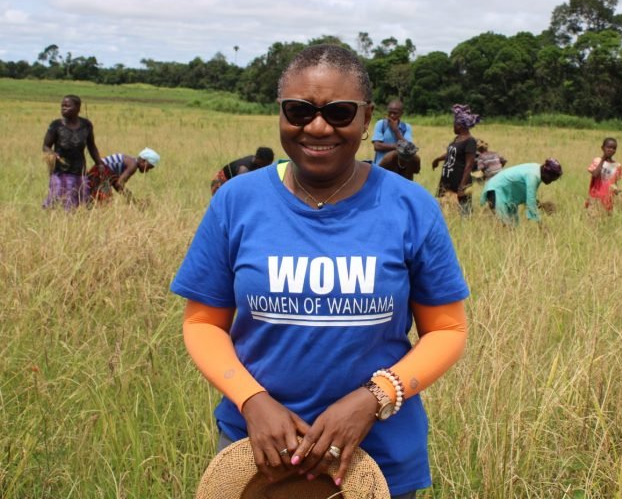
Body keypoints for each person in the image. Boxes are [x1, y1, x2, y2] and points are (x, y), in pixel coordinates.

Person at [171, 44, 469, 499]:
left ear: (366, 118)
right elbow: (202, 322)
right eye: (299, 110)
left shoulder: (411, 208)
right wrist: (252, 400)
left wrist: (374, 398)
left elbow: (447, 329)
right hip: (256, 456)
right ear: (280, 113)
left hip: (378, 457)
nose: (316, 126)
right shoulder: (237, 202)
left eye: (339, 112)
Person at [42, 94, 103, 209]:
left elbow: (91, 145)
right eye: (62, 106)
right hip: (60, 171)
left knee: (79, 204)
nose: (63, 108)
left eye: (67, 106)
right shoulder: (56, 125)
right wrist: (52, 154)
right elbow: (46, 146)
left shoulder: (86, 125)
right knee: (58, 202)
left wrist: (99, 163)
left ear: (78, 108)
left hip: (79, 171)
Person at [480, 158, 563, 225]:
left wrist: (540, 205)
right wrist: (541, 225)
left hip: (504, 193)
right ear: (546, 173)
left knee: (512, 225)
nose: (550, 182)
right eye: (551, 178)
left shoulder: (537, 169)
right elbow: (530, 202)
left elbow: (527, 195)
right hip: (497, 190)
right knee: (504, 225)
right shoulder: (533, 176)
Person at [432, 104, 480, 215]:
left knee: (465, 213)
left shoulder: (470, 141)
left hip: (460, 182)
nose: (453, 127)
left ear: (460, 126)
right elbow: (451, 153)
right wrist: (438, 159)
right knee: (443, 211)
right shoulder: (457, 139)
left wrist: (462, 186)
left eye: (454, 124)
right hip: (447, 181)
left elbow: (469, 165)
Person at [87, 148, 160, 204]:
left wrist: (133, 200)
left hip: (100, 172)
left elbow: (116, 184)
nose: (147, 171)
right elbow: (119, 184)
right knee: (105, 202)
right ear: (144, 161)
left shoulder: (130, 162)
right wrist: (133, 200)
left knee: (95, 200)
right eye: (148, 167)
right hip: (100, 172)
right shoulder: (133, 165)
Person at [210, 147, 275, 195]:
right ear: (259, 159)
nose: (267, 166)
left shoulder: (258, 162)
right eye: (266, 164)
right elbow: (240, 189)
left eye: (269, 164)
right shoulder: (243, 169)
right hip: (220, 184)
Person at [585, 137, 622, 212]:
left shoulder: (617, 166)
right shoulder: (597, 161)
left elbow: (614, 183)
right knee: (593, 220)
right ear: (602, 148)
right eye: (608, 147)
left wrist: (616, 191)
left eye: (614, 148)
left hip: (608, 200)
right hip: (595, 198)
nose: (611, 150)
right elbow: (595, 174)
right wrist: (603, 159)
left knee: (605, 221)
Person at [372, 99, 413, 165]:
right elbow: (377, 146)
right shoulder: (381, 124)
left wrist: (396, 130)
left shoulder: (406, 127)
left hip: (399, 168)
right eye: (390, 112)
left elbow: (409, 148)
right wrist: (397, 146)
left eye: (395, 113)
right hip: (381, 166)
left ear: (401, 113)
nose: (392, 115)